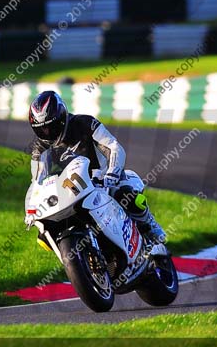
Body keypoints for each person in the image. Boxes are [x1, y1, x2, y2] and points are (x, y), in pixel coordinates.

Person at [26, 90, 166, 244]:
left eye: (51, 126)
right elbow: (37, 180)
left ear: (61, 117)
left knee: (129, 196)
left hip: (103, 180)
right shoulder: (39, 148)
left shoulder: (84, 124)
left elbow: (113, 147)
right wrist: (33, 209)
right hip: (70, 189)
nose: (47, 133)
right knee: (43, 235)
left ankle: (150, 226)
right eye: (41, 129)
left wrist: (112, 173)